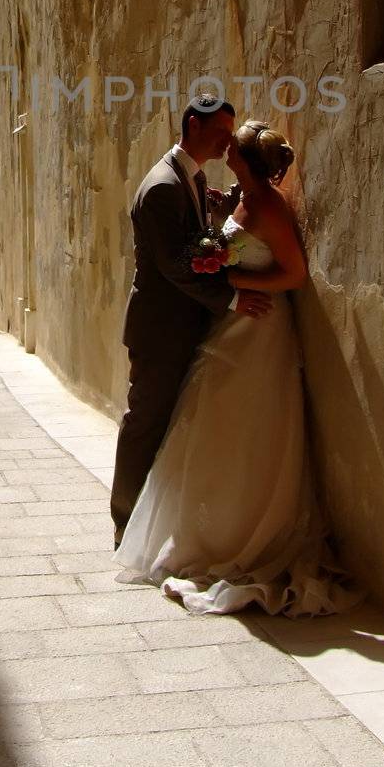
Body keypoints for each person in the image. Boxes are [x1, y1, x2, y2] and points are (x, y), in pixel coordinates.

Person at [113, 118, 361, 616]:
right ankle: (199, 527)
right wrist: (223, 249)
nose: (226, 148)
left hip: (258, 328)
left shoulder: (268, 206)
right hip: (227, 323)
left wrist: (244, 291)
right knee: (209, 425)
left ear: (246, 161)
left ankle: (241, 532)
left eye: (234, 144)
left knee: (246, 425)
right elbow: (217, 244)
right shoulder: (233, 196)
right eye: (222, 136)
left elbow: (293, 273)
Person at [110, 96, 273, 549]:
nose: (226, 142)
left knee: (164, 424)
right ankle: (125, 521)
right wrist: (234, 299)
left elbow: (199, 229)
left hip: (182, 326)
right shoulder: (163, 185)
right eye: (221, 133)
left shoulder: (190, 177)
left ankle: (150, 519)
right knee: (145, 423)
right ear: (193, 126)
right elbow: (175, 265)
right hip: (161, 330)